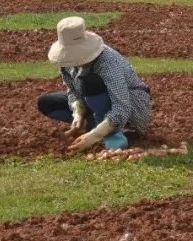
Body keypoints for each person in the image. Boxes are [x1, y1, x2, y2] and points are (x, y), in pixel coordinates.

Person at [37, 16, 153, 152]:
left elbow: (122, 107)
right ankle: (92, 125)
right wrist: (77, 114)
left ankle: (114, 136)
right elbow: (73, 91)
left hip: (130, 108)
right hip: (93, 102)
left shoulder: (107, 61)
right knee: (46, 102)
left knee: (90, 83)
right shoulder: (67, 63)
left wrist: (94, 136)